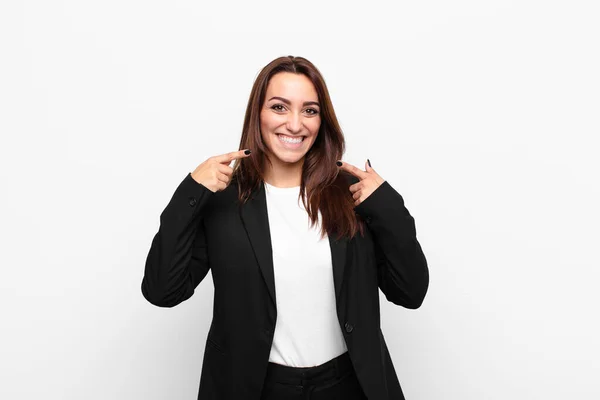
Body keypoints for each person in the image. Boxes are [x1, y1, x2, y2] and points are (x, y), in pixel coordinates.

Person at [141, 55, 429, 400]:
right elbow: (162, 290)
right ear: (257, 115)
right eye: (279, 107)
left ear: (322, 121)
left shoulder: (351, 194)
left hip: (346, 385)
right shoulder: (223, 202)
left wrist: (388, 206)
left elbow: (410, 292)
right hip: (257, 388)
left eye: (309, 110)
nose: (295, 124)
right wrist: (190, 192)